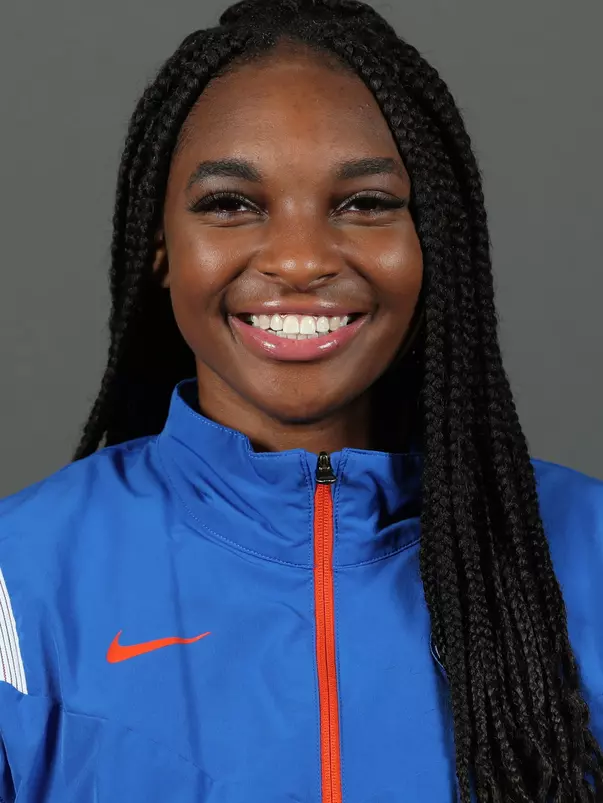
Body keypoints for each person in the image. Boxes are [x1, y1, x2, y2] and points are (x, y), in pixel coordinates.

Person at [0, 0, 601, 800]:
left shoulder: (586, 549)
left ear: (435, 245)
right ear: (160, 250)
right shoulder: (19, 575)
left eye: (365, 203)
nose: (299, 258)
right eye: (230, 204)